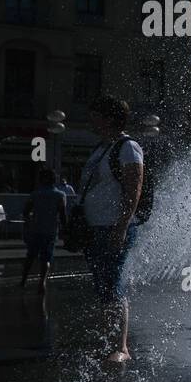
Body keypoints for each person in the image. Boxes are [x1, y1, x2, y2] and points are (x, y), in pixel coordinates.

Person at [79, 95, 144, 363]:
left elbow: (134, 189)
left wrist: (122, 225)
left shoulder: (128, 147)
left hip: (114, 227)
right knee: (103, 286)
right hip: (96, 227)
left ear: (109, 118)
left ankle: (122, 347)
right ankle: (108, 339)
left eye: (95, 114)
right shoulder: (101, 148)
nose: (91, 119)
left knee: (113, 284)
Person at [20, 167, 67, 294]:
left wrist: (29, 222)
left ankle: (23, 280)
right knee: (46, 257)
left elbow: (25, 211)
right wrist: (65, 231)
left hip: (35, 230)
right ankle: (42, 283)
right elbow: (62, 215)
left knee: (30, 255)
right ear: (54, 180)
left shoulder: (35, 194)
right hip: (50, 230)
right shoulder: (60, 195)